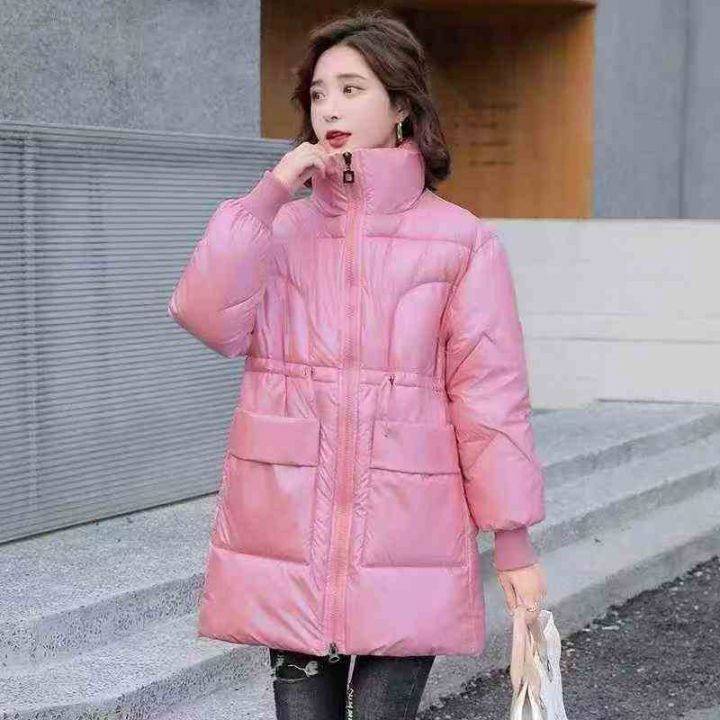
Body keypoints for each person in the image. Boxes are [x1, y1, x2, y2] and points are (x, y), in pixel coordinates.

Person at [167, 8, 547, 720]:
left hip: (411, 528)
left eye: (351, 89)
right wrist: (269, 193)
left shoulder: (461, 242)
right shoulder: (279, 227)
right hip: (289, 525)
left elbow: (490, 396)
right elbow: (206, 317)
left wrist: (513, 539)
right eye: (318, 94)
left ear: (401, 106)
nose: (330, 109)